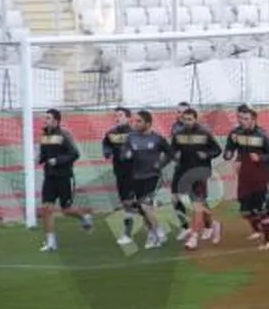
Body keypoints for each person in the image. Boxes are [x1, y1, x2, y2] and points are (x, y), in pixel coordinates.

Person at [223, 105, 269, 250]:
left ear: (254, 119)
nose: (242, 121)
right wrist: (228, 154)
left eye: (246, 118)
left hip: (260, 178)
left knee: (262, 210)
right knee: (245, 211)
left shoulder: (263, 135)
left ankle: (267, 241)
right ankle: (257, 230)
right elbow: (229, 149)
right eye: (240, 118)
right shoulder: (235, 133)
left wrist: (260, 157)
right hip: (244, 177)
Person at [37, 108, 93, 252]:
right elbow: (43, 155)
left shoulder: (64, 135)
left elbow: (75, 154)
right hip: (49, 177)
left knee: (66, 210)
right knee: (47, 209)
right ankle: (51, 243)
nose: (46, 120)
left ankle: (84, 217)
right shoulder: (44, 136)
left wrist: (58, 160)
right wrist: (39, 159)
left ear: (56, 121)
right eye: (45, 118)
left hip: (63, 177)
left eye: (48, 118)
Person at [170, 107, 223, 250]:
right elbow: (172, 149)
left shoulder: (204, 133)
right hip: (182, 171)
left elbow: (217, 150)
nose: (187, 122)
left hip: (200, 172)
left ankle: (193, 237)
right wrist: (175, 155)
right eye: (184, 119)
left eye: (190, 119)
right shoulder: (178, 133)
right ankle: (213, 225)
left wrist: (206, 154)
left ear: (196, 119)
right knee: (185, 201)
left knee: (197, 204)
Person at [122, 109, 173, 249]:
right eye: (135, 121)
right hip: (136, 177)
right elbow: (124, 153)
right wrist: (126, 155)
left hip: (153, 176)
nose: (135, 123)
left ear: (148, 123)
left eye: (139, 121)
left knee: (145, 205)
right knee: (144, 209)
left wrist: (160, 164)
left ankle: (159, 232)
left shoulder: (157, 139)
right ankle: (151, 236)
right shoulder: (131, 137)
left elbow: (170, 153)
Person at [101, 106, 136, 245]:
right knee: (127, 203)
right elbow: (106, 144)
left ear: (128, 117)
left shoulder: (135, 133)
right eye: (116, 116)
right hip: (120, 172)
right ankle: (130, 233)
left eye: (120, 115)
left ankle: (148, 231)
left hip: (136, 172)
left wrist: (132, 153)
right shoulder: (111, 133)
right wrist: (107, 152)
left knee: (136, 203)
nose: (117, 118)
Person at [169, 101, 192, 231]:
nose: (181, 114)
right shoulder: (175, 127)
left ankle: (209, 225)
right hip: (180, 166)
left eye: (184, 112)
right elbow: (173, 148)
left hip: (194, 168)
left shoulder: (198, 129)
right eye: (179, 112)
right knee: (174, 198)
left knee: (196, 200)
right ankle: (185, 227)